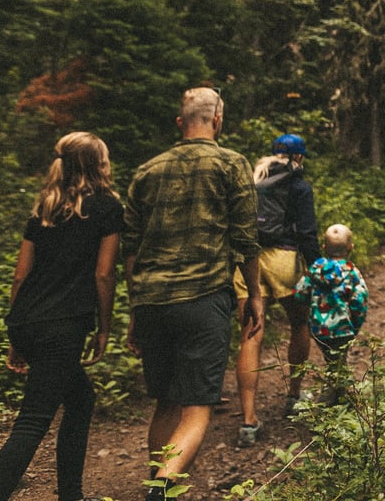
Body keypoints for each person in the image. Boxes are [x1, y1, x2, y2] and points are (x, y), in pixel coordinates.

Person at [122, 86, 262, 501]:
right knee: (197, 406)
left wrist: (135, 308)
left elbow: (131, 248)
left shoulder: (147, 171)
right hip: (203, 298)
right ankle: (161, 488)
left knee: (165, 402)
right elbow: (245, 238)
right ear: (217, 120)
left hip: (151, 301)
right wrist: (253, 293)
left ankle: (158, 483)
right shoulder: (231, 164)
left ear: (181, 122)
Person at [0, 132, 122, 501]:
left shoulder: (44, 209)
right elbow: (103, 273)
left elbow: (20, 276)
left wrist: (17, 334)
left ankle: (72, 494)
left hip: (29, 319)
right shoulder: (107, 207)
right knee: (33, 421)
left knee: (81, 400)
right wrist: (104, 327)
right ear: (99, 163)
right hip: (63, 325)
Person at [233, 133, 321, 446]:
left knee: (250, 334)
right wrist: (319, 268)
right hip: (285, 260)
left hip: (249, 262)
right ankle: (294, 396)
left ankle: (248, 420)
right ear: (299, 157)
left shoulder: (251, 181)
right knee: (300, 324)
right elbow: (308, 234)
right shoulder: (299, 185)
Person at [292, 223, 368, 405]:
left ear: (324, 248)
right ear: (351, 248)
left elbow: (300, 293)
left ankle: (340, 396)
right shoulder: (351, 272)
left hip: (319, 330)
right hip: (343, 329)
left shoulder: (315, 270)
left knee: (333, 360)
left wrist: (311, 309)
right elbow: (360, 301)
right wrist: (355, 324)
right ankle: (331, 402)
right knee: (338, 361)